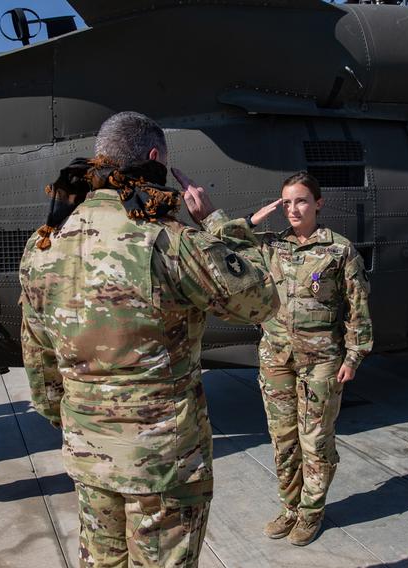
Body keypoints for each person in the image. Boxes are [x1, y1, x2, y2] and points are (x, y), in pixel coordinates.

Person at [19, 111, 279, 568]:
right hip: (163, 459)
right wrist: (218, 224)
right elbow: (260, 302)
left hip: (88, 450)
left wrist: (71, 419)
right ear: (155, 158)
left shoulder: (45, 241)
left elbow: (37, 352)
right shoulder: (171, 239)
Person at [200, 171, 373, 546]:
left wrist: (354, 356)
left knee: (315, 441)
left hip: (321, 360)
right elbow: (218, 239)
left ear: (318, 203)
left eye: (302, 201)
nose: (294, 209)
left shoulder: (339, 250)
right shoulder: (270, 246)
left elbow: (358, 308)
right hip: (276, 357)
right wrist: (254, 220)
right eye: (287, 202)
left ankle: (311, 513)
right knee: (282, 439)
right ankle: (290, 507)